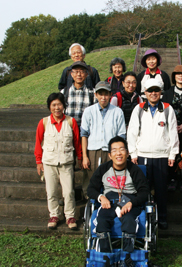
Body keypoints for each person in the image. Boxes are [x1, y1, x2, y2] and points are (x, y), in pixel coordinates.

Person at [127, 79, 179, 230]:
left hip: (161, 156)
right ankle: (142, 218)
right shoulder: (139, 108)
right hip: (142, 156)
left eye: (156, 90)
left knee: (161, 190)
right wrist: (133, 152)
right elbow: (132, 132)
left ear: (161, 92)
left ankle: (161, 218)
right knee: (142, 189)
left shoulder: (168, 109)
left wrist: (172, 154)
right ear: (145, 93)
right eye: (150, 91)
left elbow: (173, 132)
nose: (153, 93)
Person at [87, 136, 149, 255]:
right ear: (110, 155)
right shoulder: (103, 169)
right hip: (109, 201)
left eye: (121, 149)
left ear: (127, 153)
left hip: (129, 202)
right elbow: (90, 189)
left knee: (129, 220)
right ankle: (105, 256)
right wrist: (101, 197)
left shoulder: (135, 170)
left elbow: (144, 192)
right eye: (114, 150)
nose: (118, 153)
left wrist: (132, 203)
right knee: (102, 220)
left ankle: (127, 255)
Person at [34, 92, 82, 230]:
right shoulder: (43, 122)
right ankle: (54, 215)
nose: (57, 108)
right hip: (49, 162)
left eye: (59, 104)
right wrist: (38, 161)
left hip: (66, 162)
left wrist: (79, 157)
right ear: (49, 107)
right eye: (53, 105)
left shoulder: (70, 121)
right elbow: (38, 143)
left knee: (68, 192)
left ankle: (70, 216)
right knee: (52, 191)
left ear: (64, 106)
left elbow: (77, 142)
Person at [81, 81, 126, 199]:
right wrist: (85, 156)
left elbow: (121, 136)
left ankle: (112, 204)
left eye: (106, 94)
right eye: (100, 94)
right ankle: (93, 205)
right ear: (96, 95)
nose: (103, 97)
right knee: (93, 180)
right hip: (93, 151)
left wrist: (118, 153)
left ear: (110, 95)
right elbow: (84, 135)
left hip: (111, 152)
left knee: (112, 181)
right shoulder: (89, 111)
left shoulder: (117, 111)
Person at [60, 61, 95, 130]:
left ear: (86, 74)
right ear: (71, 74)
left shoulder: (93, 93)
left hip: (86, 130)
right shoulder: (64, 92)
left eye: (82, 72)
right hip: (68, 129)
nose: (79, 74)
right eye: (76, 71)